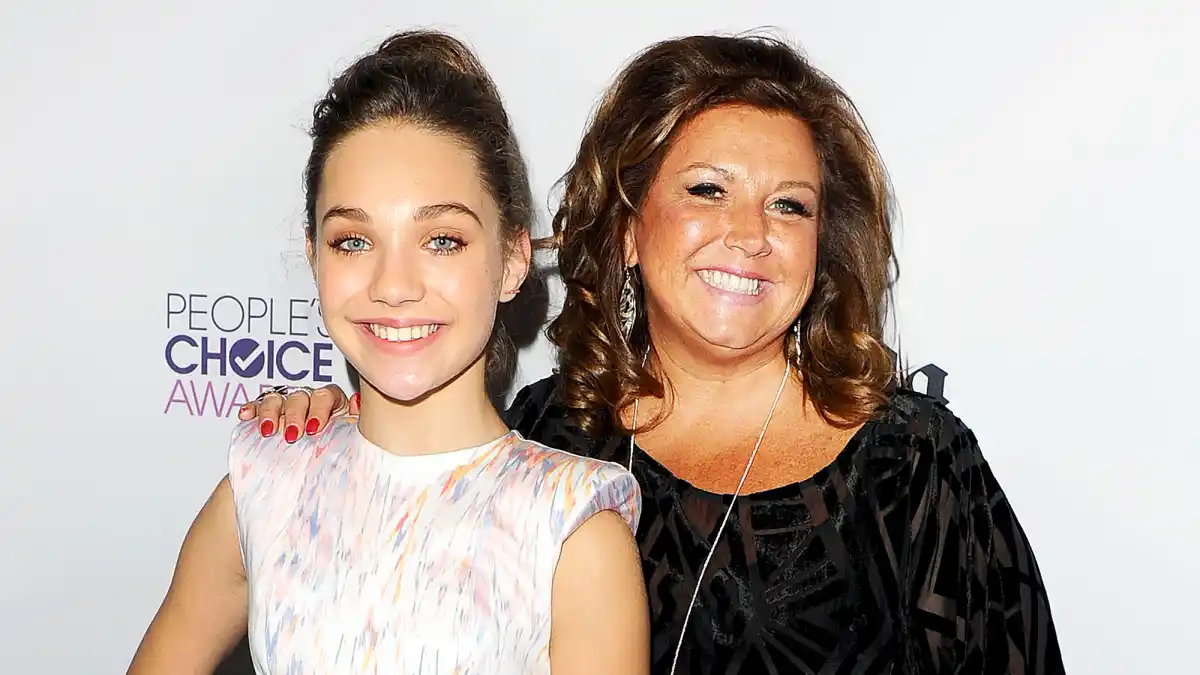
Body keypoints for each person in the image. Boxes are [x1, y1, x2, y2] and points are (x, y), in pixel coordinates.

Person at [242, 33, 1064, 674]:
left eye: (789, 204)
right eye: (707, 189)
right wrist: (337, 435)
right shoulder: (550, 435)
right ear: (631, 227)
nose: (749, 235)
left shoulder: (917, 467)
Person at [127, 30, 649, 675]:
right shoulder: (265, 482)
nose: (393, 286)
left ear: (513, 260)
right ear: (314, 255)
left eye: (442, 240)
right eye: (353, 241)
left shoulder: (571, 528)